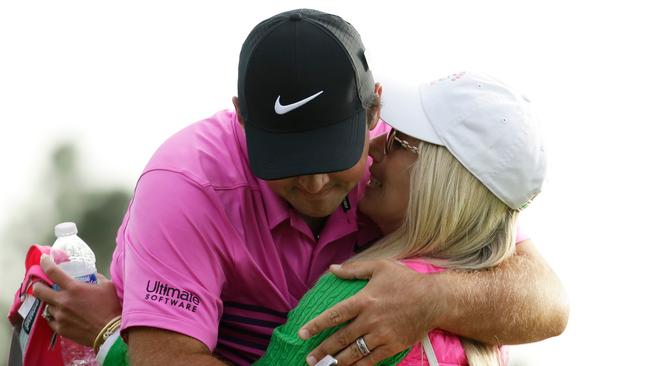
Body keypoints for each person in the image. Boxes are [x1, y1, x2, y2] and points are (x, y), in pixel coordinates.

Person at [32, 9, 568, 366]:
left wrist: (429, 299)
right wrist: (113, 337)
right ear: (242, 119)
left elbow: (545, 298)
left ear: (373, 111)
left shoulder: (402, 163)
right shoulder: (185, 184)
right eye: (288, 159)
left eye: (332, 155)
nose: (314, 183)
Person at [254, 71, 545, 366]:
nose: (374, 147)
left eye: (397, 142)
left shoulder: (360, 294)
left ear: (443, 182)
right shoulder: (489, 328)